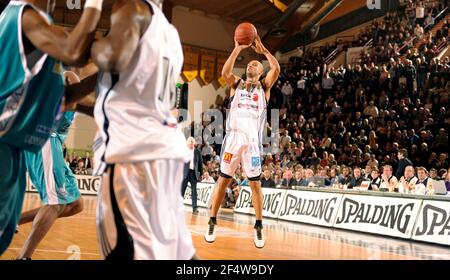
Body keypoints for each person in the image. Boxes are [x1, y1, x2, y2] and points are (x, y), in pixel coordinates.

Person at [91, 0, 196, 259]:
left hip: (132, 155)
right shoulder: (170, 33)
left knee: (122, 252)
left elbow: (111, 57)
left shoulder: (132, 7)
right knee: (178, 256)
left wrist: (85, 38)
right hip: (165, 152)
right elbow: (131, 96)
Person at [0, 0, 101, 255]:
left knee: (73, 204)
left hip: (18, 146)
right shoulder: (23, 16)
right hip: (21, 142)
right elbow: (73, 49)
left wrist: (107, 81)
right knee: (56, 202)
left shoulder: (38, 34)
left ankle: (16, 226)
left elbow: (66, 100)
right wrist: (95, 4)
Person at [205, 34, 280, 248]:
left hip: (252, 142)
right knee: (223, 180)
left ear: (261, 71)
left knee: (255, 184)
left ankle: (258, 226)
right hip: (233, 139)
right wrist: (237, 49)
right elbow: (224, 72)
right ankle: (212, 220)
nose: (251, 64)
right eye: (249, 63)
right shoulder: (236, 84)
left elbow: (277, 70)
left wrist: (264, 51)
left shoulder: (264, 87)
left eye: (255, 63)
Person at [19, 91, 83, 259]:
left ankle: (13, 221)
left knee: (76, 205)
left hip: (53, 143)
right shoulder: (66, 76)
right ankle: (24, 256)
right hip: (45, 138)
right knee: (55, 204)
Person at [181, 137, 203, 214]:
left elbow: (200, 163)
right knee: (182, 191)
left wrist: (201, 173)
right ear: (187, 143)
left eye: (192, 142)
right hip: (185, 173)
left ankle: (195, 209)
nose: (191, 144)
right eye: (189, 142)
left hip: (194, 173)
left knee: (194, 192)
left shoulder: (197, 152)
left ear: (194, 143)